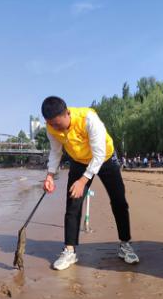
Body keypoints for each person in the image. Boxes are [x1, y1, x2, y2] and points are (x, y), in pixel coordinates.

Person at [41, 96, 139, 270]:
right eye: (51, 125)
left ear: (67, 113)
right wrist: (49, 175)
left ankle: (125, 245)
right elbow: (56, 152)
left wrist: (83, 180)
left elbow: (99, 154)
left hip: (106, 158)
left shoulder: (88, 119)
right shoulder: (51, 128)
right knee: (72, 203)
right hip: (79, 161)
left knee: (119, 202)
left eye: (57, 124)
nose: (55, 128)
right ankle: (69, 251)